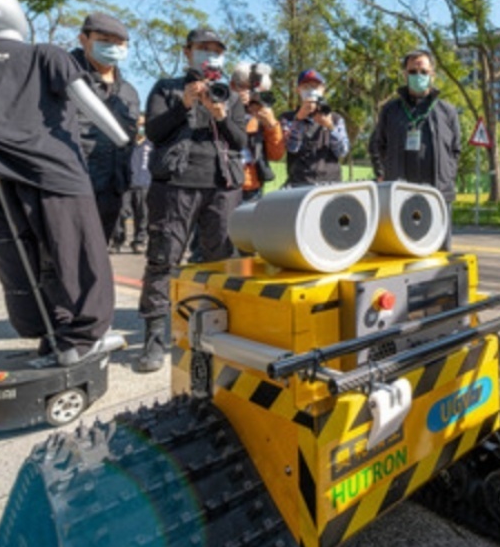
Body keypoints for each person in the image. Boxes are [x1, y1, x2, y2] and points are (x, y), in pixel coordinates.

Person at [0, 0, 122, 367]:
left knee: (20, 256)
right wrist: (119, 136)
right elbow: (87, 101)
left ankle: (50, 334)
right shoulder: (45, 55)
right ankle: (82, 338)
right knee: (77, 255)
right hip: (54, 170)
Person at [136, 28, 247, 373]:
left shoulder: (229, 96)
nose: (210, 56)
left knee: (221, 261)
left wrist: (220, 114)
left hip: (222, 187)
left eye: (216, 50)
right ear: (188, 52)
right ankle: (154, 339)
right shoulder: (166, 88)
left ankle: (220, 332)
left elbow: (241, 140)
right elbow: (153, 132)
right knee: (162, 259)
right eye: (203, 49)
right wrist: (185, 103)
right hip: (175, 186)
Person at [371, 50, 462, 247]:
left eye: (423, 71)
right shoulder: (390, 110)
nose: (418, 76)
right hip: (400, 194)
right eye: (413, 71)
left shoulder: (448, 111)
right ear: (405, 74)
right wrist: (382, 174)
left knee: (439, 254)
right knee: (404, 252)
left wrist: (448, 176)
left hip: (438, 194)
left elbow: (456, 149)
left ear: (432, 74)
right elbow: (377, 145)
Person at [71, 12, 139, 242]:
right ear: (83, 39)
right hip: (74, 184)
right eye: (104, 40)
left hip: (113, 188)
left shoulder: (128, 91)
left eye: (119, 42)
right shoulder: (66, 80)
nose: (112, 47)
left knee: (97, 255)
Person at [281, 69, 349, 187]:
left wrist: (330, 126)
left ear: (323, 89)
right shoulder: (287, 118)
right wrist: (298, 120)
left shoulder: (336, 119)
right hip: (299, 184)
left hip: (330, 184)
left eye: (315, 86)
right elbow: (292, 148)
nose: (311, 91)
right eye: (306, 87)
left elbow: (342, 151)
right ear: (298, 90)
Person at [230, 62, 284, 202]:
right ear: (233, 85)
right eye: (246, 88)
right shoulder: (221, 106)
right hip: (223, 184)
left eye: (259, 92)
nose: (253, 95)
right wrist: (235, 105)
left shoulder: (262, 116)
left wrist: (271, 125)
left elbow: (276, 155)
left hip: (251, 188)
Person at [113, 116, 151, 253]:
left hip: (144, 185)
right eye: (138, 124)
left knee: (143, 215)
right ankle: (117, 240)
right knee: (121, 213)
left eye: (143, 124)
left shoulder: (150, 145)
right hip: (126, 185)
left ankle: (139, 241)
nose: (140, 128)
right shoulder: (126, 144)